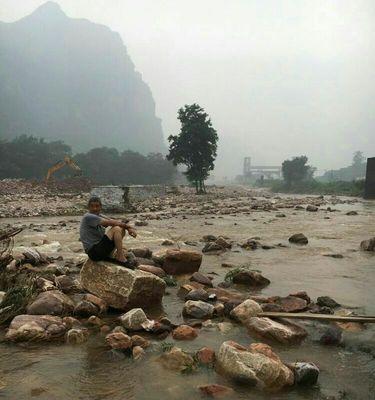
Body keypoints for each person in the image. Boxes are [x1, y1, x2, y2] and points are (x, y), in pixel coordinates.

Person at [80, 196, 137, 264]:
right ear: (88, 207)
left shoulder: (99, 215)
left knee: (121, 229)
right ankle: (120, 257)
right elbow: (111, 223)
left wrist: (127, 228)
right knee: (116, 229)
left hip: (100, 250)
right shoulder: (88, 217)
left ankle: (115, 255)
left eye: (97, 206)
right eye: (92, 206)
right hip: (94, 252)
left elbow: (113, 221)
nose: (94, 208)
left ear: (101, 207)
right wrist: (129, 227)